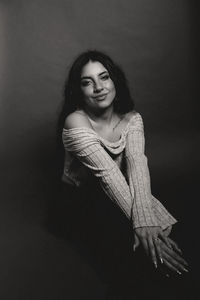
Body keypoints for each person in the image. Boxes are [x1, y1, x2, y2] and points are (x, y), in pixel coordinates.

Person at [57, 50, 189, 297]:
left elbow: (137, 164)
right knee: (133, 252)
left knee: (155, 235)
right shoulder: (76, 121)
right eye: (87, 82)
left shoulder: (132, 118)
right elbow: (107, 175)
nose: (98, 87)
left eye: (104, 77)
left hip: (119, 190)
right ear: (78, 91)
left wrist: (148, 222)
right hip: (83, 199)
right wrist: (147, 226)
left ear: (114, 80)